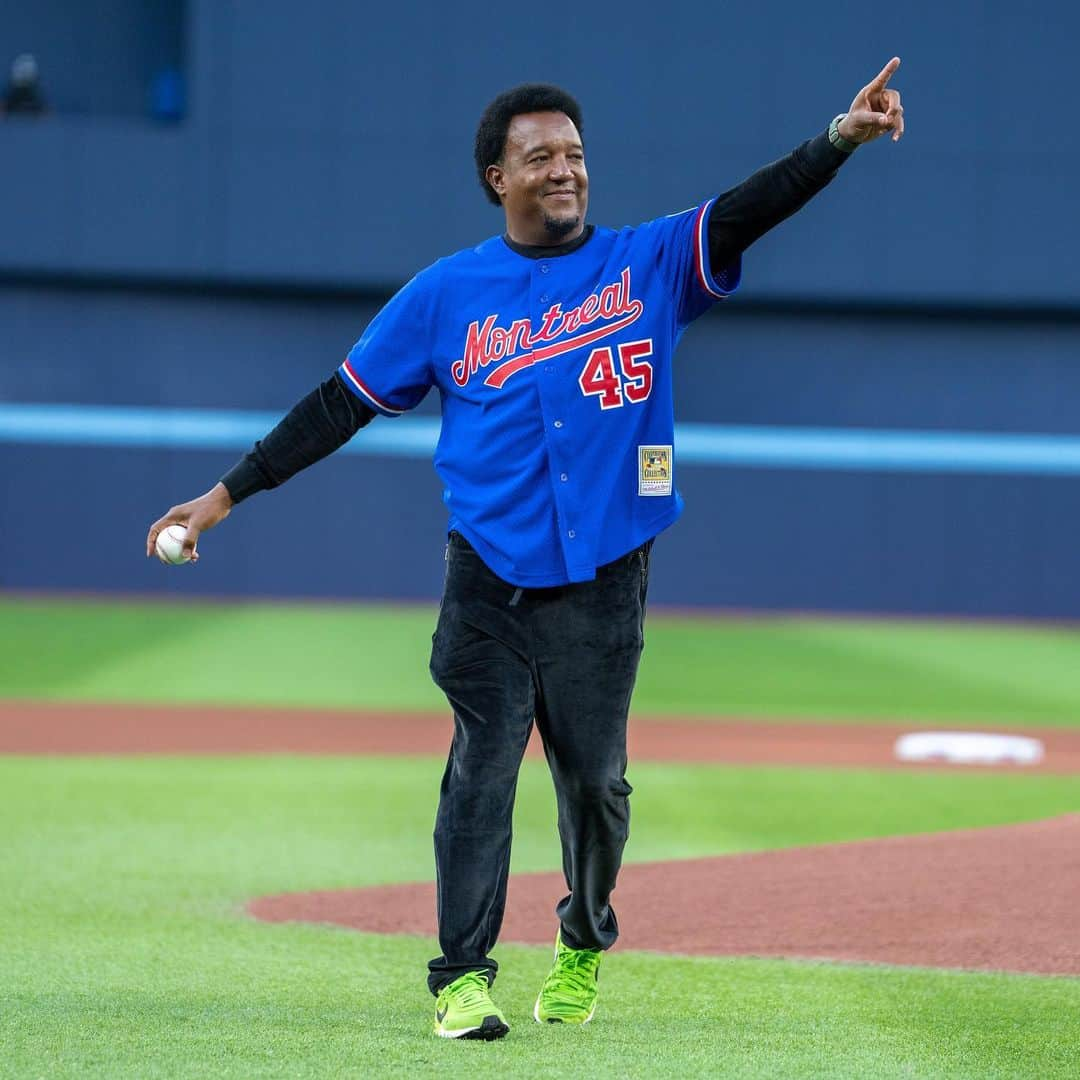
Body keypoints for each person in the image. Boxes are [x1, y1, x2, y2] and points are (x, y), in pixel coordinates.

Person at [147, 59, 904, 1040]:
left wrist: (838, 140)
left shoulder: (650, 264)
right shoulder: (446, 294)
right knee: (483, 765)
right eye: (538, 155)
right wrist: (222, 497)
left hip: (606, 579)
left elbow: (753, 208)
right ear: (496, 178)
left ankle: (584, 942)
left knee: (596, 785)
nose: (564, 169)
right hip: (488, 577)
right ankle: (461, 978)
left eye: (575, 154)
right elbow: (340, 403)